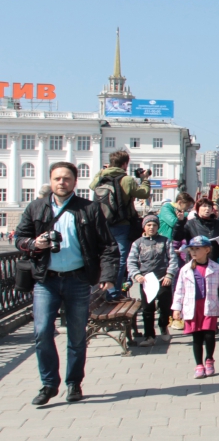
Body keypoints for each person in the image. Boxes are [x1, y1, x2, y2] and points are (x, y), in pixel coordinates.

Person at [16, 162, 119, 406]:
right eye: (57, 178)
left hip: (78, 280)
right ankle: (49, 384)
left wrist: (107, 276)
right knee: (42, 332)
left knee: (76, 335)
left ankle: (74, 383)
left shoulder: (89, 209)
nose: (62, 182)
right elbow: (20, 237)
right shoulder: (36, 207)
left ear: (75, 182)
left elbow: (108, 246)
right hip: (46, 280)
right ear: (51, 181)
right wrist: (33, 244)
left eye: (67, 179)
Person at [171, 235, 219, 379]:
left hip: (209, 306)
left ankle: (209, 359)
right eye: (192, 249)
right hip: (192, 307)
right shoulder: (185, 269)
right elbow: (179, 290)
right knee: (197, 337)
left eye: (197, 249)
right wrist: (176, 308)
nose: (194, 252)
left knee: (209, 335)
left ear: (207, 250)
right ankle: (199, 365)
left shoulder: (215, 267)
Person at [89, 150, 152, 287]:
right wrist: (145, 179)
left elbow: (91, 186)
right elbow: (144, 193)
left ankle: (104, 288)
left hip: (102, 223)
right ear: (125, 164)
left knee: (104, 255)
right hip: (121, 223)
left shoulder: (101, 178)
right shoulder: (127, 180)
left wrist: (101, 172)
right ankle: (114, 292)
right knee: (120, 258)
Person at [127, 214, 180, 346]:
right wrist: (137, 275)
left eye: (154, 225)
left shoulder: (165, 241)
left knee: (165, 306)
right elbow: (131, 262)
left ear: (158, 227)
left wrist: (169, 275)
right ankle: (149, 336)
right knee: (147, 309)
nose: (152, 227)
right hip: (146, 281)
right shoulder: (137, 243)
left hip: (163, 279)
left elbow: (173, 259)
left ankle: (163, 325)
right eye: (149, 225)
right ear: (144, 227)